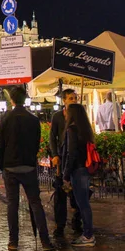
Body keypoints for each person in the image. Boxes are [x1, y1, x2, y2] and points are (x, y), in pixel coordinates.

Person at [0, 86, 55, 251]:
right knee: (35, 203)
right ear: (25, 100)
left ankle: (13, 241)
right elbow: (36, 143)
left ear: (12, 100)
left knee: (12, 205)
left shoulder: (6, 118)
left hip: (10, 167)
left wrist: (2, 164)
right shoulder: (33, 119)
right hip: (28, 166)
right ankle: (45, 241)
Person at [62, 104, 96, 247]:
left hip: (77, 169)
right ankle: (88, 233)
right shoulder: (86, 130)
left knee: (83, 204)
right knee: (84, 204)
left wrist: (66, 174)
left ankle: (88, 235)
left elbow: (71, 153)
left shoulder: (71, 130)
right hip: (85, 168)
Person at [50, 88, 82, 237]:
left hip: (76, 160)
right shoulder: (57, 117)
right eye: (70, 98)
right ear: (64, 101)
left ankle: (77, 221)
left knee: (77, 193)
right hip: (62, 160)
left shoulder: (80, 116)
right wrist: (55, 154)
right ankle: (60, 225)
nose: (74, 101)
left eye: (75, 98)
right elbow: (52, 137)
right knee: (60, 194)